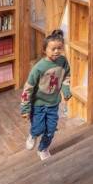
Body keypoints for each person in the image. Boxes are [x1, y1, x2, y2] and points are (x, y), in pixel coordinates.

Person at [20, 30, 72, 161]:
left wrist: (66, 90)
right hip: (38, 104)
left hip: (53, 103)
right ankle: (33, 134)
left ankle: (43, 149)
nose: (56, 51)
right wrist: (25, 109)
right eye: (53, 49)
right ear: (45, 50)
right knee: (38, 128)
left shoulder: (63, 62)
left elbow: (66, 76)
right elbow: (28, 89)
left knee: (51, 129)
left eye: (59, 48)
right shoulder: (39, 68)